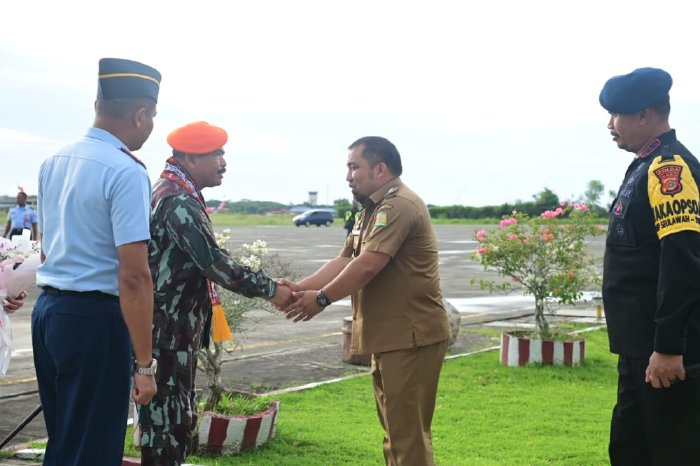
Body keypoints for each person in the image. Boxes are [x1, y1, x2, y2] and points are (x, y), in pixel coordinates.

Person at [281, 136, 451, 466]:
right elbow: (345, 260)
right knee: (394, 434)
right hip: (391, 337)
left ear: (380, 169)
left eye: (353, 167)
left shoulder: (398, 206)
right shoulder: (370, 211)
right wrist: (298, 288)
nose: (348, 176)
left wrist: (320, 298)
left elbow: (368, 265)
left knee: (408, 437)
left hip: (411, 337)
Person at [138, 121, 292, 466]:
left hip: (173, 333)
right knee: (167, 429)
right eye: (217, 154)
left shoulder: (174, 191)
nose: (224, 162)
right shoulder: (178, 201)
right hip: (167, 336)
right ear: (191, 158)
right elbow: (216, 264)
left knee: (172, 424)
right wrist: (273, 291)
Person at [32, 58, 161, 466]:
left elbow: (46, 250)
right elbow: (135, 276)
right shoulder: (125, 171)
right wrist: (145, 364)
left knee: (65, 440)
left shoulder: (54, 162)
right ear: (140, 114)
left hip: (49, 313)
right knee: (93, 449)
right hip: (94, 320)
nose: (151, 125)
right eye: (153, 116)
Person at [600, 67, 700, 465]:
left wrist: (668, 346)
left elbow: (683, 261)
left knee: (670, 452)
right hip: (639, 351)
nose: (610, 125)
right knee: (629, 450)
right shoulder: (644, 164)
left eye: (618, 115)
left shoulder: (668, 170)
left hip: (665, 354)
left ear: (644, 114)